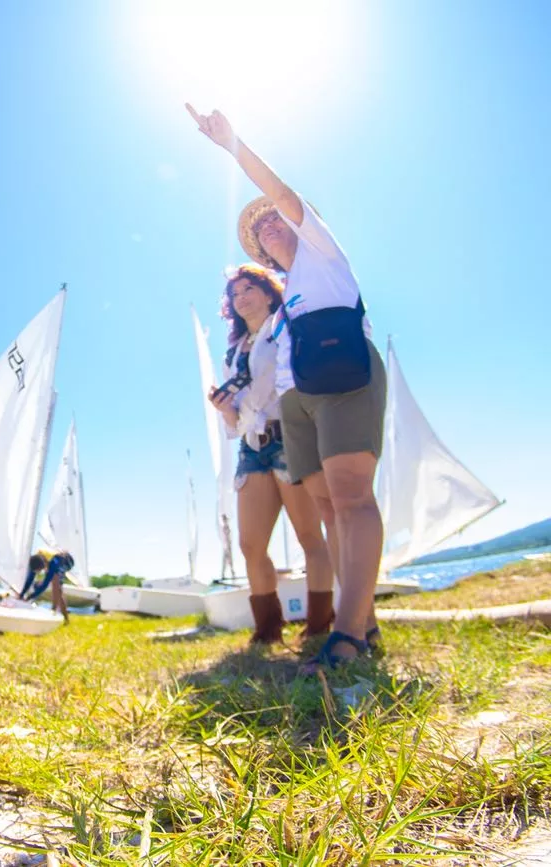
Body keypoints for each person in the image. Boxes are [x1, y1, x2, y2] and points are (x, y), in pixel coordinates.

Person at [188, 104, 386, 670]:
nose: (268, 226)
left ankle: (346, 635)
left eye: (275, 219)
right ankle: (363, 619)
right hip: (298, 398)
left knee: (350, 500)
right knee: (326, 508)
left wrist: (232, 145)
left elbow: (278, 190)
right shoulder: (283, 305)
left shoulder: (321, 252)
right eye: (259, 230)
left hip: (343, 375)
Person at [209, 265, 335, 645]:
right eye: (235, 293)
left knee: (310, 536)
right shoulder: (232, 352)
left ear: (268, 292)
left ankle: (318, 626)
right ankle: (267, 631)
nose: (241, 297)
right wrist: (223, 407)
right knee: (250, 545)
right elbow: (233, 425)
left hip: (290, 439)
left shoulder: (286, 329)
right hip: (252, 448)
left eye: (249, 288)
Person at [19, 548, 72, 622]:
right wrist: (21, 594)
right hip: (54, 561)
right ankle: (66, 619)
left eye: (40, 570)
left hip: (66, 560)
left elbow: (45, 584)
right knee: (57, 590)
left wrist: (29, 597)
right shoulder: (34, 561)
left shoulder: (53, 564)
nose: (40, 572)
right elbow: (29, 580)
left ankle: (53, 610)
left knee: (55, 584)